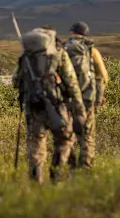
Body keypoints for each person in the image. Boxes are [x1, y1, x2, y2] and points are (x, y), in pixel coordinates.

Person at [12, 26, 87, 184]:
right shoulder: (59, 53)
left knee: (36, 144)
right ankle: (56, 173)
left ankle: (36, 180)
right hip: (57, 105)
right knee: (64, 139)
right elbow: (72, 82)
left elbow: (15, 81)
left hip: (33, 108)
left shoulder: (27, 55)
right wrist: (79, 109)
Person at [65, 21, 109, 169]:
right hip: (87, 99)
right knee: (87, 136)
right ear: (85, 33)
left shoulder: (62, 50)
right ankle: (85, 168)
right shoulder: (91, 51)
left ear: (71, 33)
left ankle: (69, 166)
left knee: (66, 134)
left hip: (66, 100)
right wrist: (98, 97)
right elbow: (103, 76)